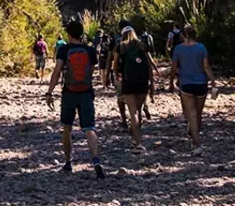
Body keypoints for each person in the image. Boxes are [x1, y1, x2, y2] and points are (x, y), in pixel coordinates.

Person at [46, 20, 105, 179]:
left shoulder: (64, 50)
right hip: (86, 92)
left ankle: (68, 162)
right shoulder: (90, 51)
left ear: (69, 34)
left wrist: (49, 92)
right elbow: (91, 72)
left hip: (69, 92)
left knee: (67, 127)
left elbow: (57, 71)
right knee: (90, 128)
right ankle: (96, 161)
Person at [168, 25, 215, 155]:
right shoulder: (201, 48)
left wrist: (171, 82)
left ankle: (197, 143)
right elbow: (206, 66)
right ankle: (195, 136)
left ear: (183, 35)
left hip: (186, 84)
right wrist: (213, 81)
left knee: (192, 114)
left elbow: (173, 68)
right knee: (198, 113)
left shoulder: (178, 49)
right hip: (201, 84)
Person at [113, 26, 156, 152]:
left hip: (128, 82)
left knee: (133, 113)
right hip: (142, 82)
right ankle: (137, 138)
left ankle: (136, 142)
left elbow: (115, 65)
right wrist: (152, 83)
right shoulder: (142, 45)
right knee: (139, 110)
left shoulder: (120, 46)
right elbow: (149, 66)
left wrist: (116, 74)